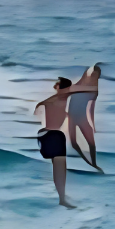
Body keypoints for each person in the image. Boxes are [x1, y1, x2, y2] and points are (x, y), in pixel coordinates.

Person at [33, 77, 79, 208]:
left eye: (57, 84)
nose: (55, 85)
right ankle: (62, 199)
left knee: (58, 168)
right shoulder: (57, 99)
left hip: (47, 135)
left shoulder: (58, 100)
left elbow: (41, 106)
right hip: (53, 136)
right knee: (60, 169)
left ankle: (61, 195)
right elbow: (43, 105)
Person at [64, 63, 102, 171]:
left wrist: (92, 124)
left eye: (96, 76)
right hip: (72, 117)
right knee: (74, 143)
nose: (93, 77)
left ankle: (93, 164)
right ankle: (87, 161)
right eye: (93, 74)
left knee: (91, 143)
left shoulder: (94, 90)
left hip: (82, 118)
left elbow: (91, 108)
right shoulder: (80, 83)